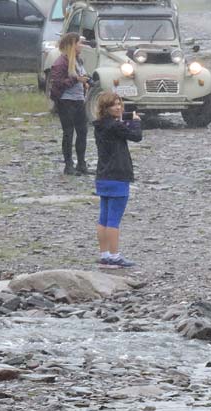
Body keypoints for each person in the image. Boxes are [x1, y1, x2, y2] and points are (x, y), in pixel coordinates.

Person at [93, 92, 142, 268]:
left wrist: (122, 121)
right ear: (105, 108)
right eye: (114, 105)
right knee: (113, 219)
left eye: (120, 104)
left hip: (103, 176)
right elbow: (136, 136)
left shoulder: (100, 125)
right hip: (118, 176)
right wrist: (135, 121)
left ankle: (104, 254)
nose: (119, 107)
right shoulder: (115, 126)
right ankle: (115, 256)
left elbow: (119, 130)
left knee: (103, 218)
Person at [48, 33, 91, 175]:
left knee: (83, 132)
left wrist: (86, 82)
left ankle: (81, 164)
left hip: (79, 100)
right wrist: (76, 80)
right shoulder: (60, 62)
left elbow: (81, 77)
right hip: (66, 102)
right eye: (79, 43)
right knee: (68, 133)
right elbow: (57, 83)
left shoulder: (78, 60)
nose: (82, 46)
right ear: (72, 44)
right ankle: (68, 165)